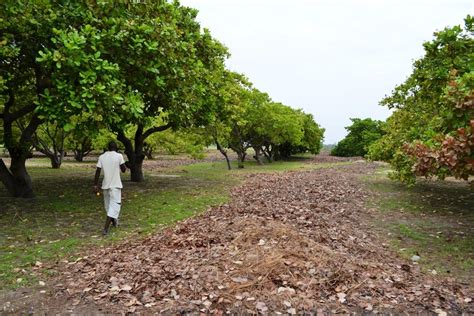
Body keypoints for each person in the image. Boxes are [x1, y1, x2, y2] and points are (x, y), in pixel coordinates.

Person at [93, 141, 127, 235]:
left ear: (108, 148)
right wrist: (125, 164)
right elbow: (124, 170)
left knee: (108, 206)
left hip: (105, 185)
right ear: (116, 148)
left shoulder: (102, 157)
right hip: (115, 185)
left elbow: (98, 171)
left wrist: (95, 185)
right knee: (115, 206)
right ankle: (105, 229)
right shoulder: (119, 156)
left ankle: (114, 221)